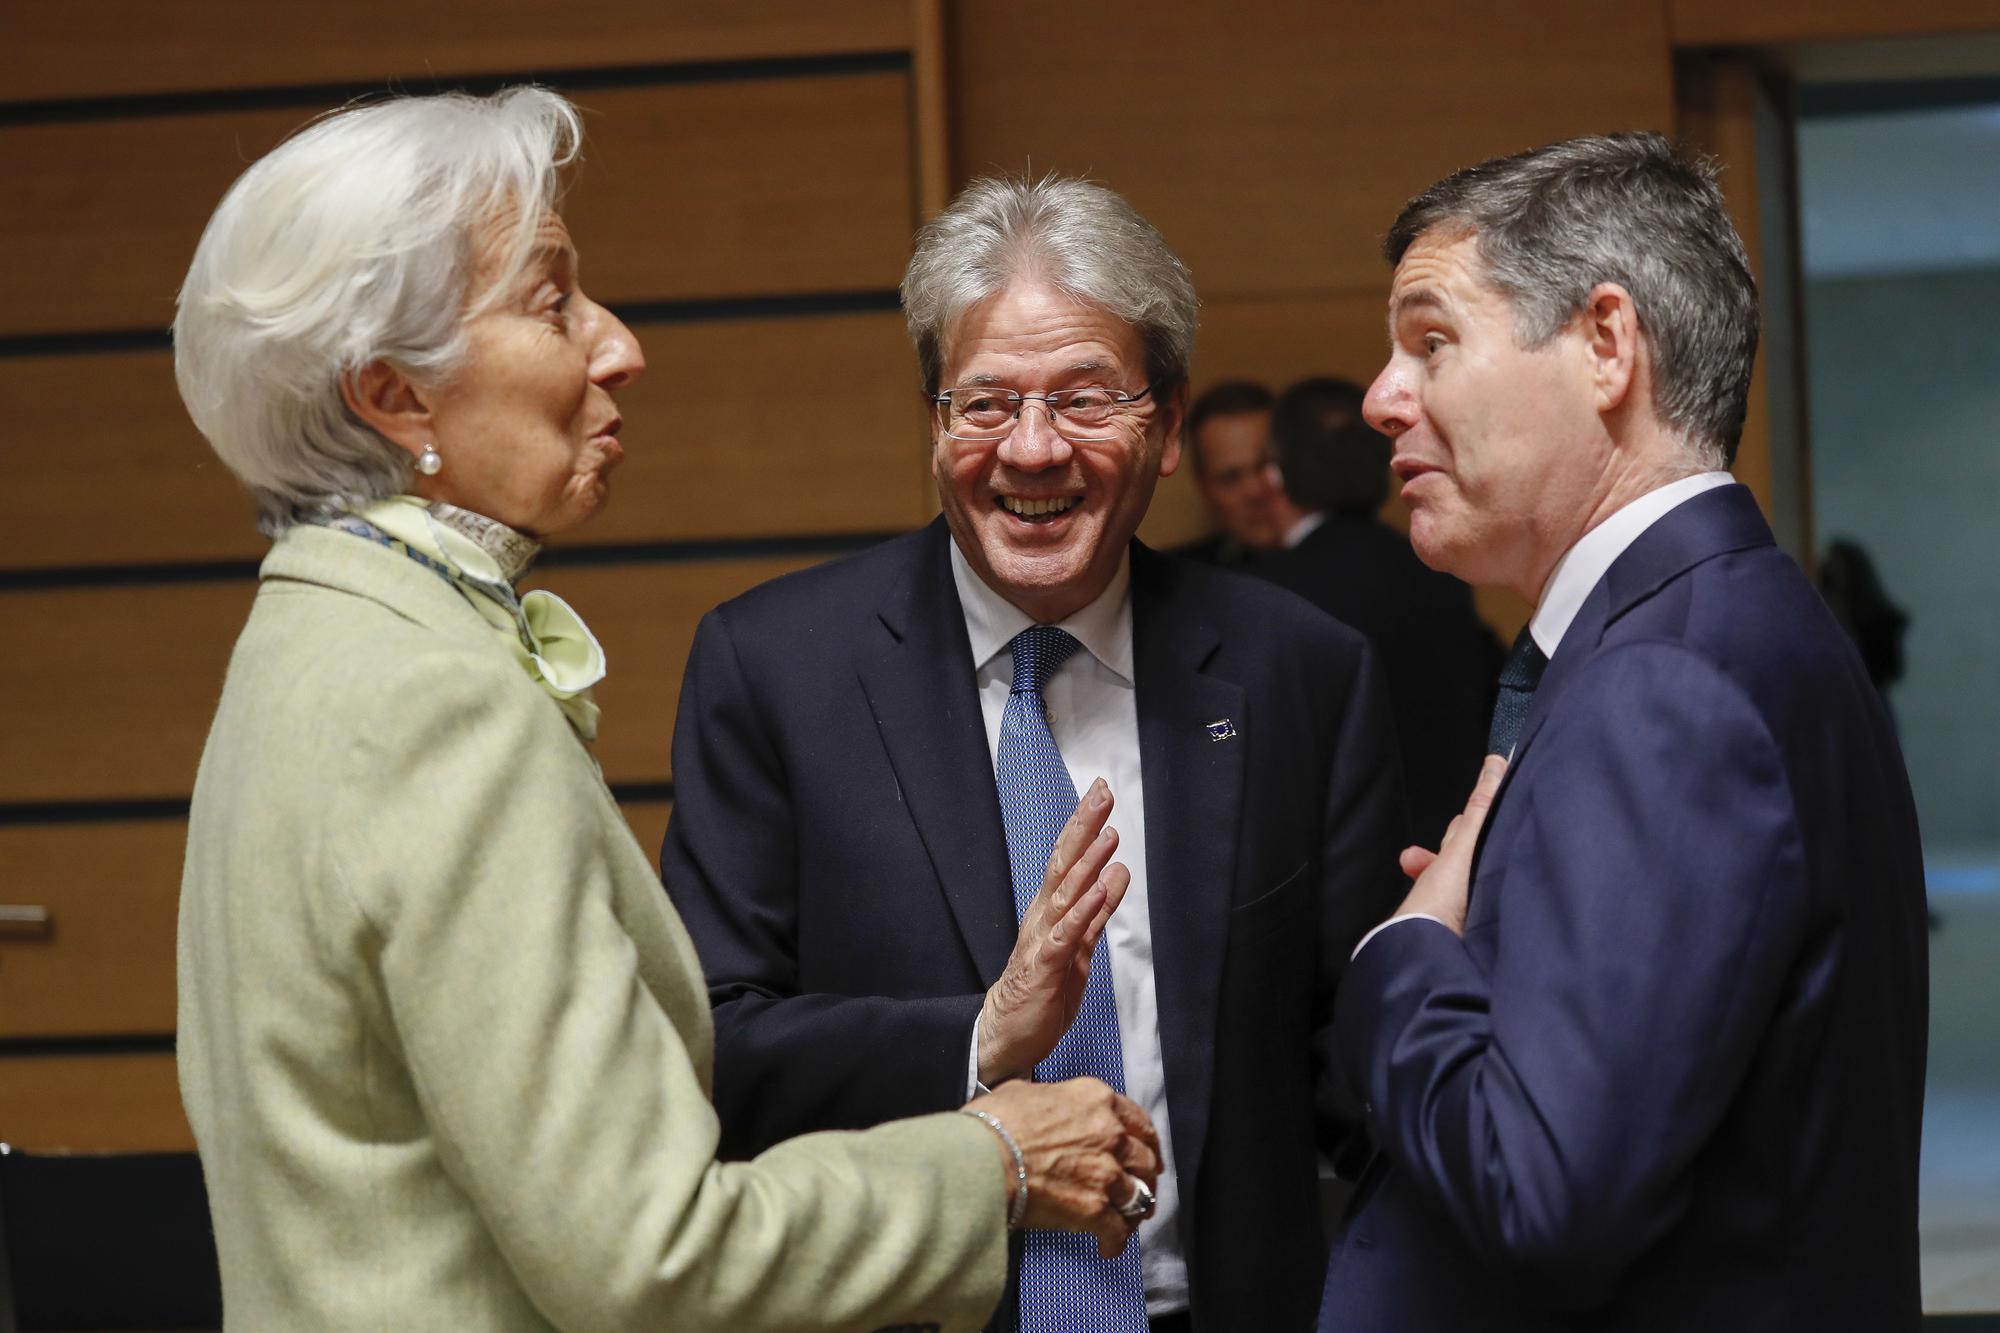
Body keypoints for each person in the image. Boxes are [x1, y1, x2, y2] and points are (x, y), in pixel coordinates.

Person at [172, 88, 1161, 1332]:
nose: (618, 343)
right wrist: (996, 1164)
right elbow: (648, 1255)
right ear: (396, 399)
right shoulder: (433, 698)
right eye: (552, 301)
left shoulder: (308, 641)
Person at [662, 175, 1407, 1332]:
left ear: (1165, 422)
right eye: (984, 403)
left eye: (1084, 398)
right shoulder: (775, 670)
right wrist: (972, 1039)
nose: (1032, 449)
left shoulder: (1296, 671)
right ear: (931, 422)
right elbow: (711, 1038)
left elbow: (1345, 1064)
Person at [1321, 133, 1928, 1331]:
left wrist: (1403, 959)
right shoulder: (1718, 624)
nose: (1379, 396)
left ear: (1605, 345)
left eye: (1429, 340)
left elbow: (1540, 1192)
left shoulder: (1662, 682)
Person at [1258, 376, 1498, 846]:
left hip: (1341, 856)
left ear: (1275, 474)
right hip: (1448, 847)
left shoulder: (1271, 595)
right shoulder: (1440, 571)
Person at [1172, 379, 1306, 567]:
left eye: (1268, 465)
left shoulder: (1352, 556)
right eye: (1230, 479)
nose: (1256, 492)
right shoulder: (1176, 579)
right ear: (1203, 486)